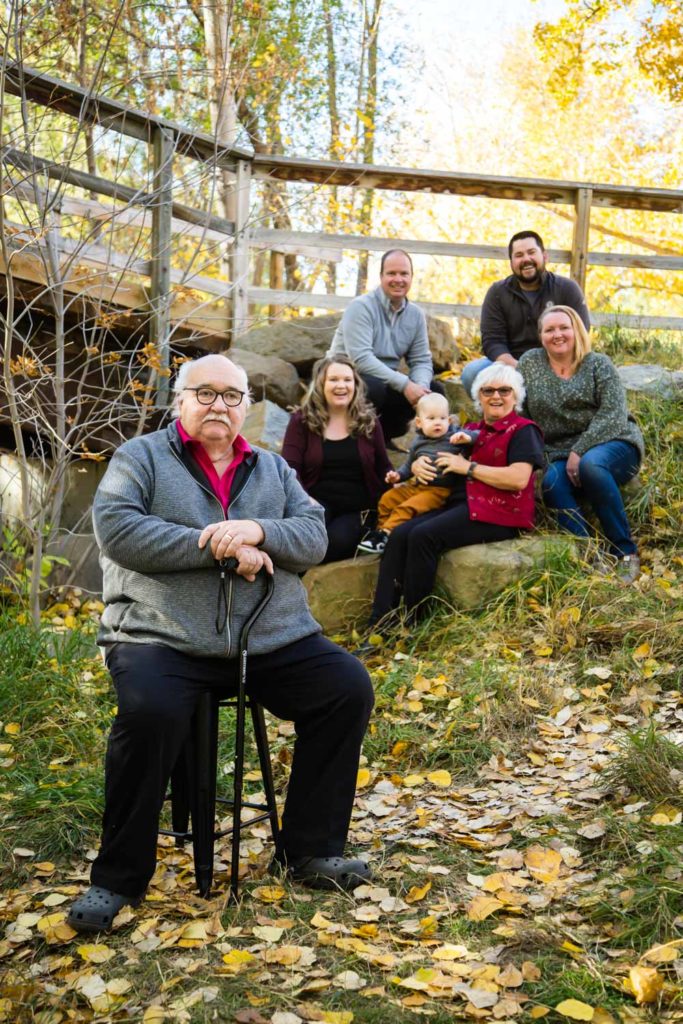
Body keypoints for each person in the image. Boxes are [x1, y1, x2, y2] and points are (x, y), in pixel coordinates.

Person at [67, 354, 375, 934]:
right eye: (205, 393)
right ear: (179, 399)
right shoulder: (141, 458)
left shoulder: (272, 469)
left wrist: (259, 530)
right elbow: (120, 530)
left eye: (232, 396)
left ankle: (308, 850)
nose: (219, 406)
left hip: (266, 635)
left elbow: (313, 535)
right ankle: (117, 877)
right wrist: (221, 545)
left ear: (245, 409)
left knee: (345, 687)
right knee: (150, 711)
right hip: (160, 635)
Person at [367, 365, 544, 626]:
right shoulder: (467, 430)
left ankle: (411, 622)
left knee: (423, 535)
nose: (496, 396)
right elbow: (430, 452)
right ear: (478, 397)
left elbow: (518, 478)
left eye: (505, 390)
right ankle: (380, 622)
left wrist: (469, 467)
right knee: (401, 533)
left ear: (515, 396)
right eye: (488, 390)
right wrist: (416, 466)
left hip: (497, 511)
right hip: (458, 504)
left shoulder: (522, 430)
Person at [519, 305, 643, 582]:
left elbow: (613, 414)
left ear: (577, 330)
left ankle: (625, 552)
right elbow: (521, 412)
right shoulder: (529, 363)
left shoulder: (598, 364)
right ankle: (590, 555)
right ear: (541, 336)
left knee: (591, 466)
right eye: (550, 329)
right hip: (557, 450)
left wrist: (580, 449)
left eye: (564, 327)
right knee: (550, 481)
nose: (558, 334)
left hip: (614, 440)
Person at [281, 356, 393, 562]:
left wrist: (396, 480)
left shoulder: (369, 420)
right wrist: (304, 499)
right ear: (321, 384)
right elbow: (289, 468)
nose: (341, 385)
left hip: (357, 507)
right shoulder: (302, 421)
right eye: (333, 379)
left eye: (347, 380)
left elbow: (383, 466)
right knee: (308, 539)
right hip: (315, 503)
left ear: (355, 384)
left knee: (334, 542)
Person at [327, 249, 444, 442]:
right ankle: (355, 441)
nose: (398, 279)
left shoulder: (415, 315)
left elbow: (421, 360)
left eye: (404, 273)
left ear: (411, 277)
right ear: (381, 276)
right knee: (373, 388)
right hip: (345, 378)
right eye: (391, 273)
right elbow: (362, 360)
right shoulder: (361, 307)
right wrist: (406, 385)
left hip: (386, 381)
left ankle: (393, 441)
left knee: (435, 391)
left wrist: (421, 392)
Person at [461, 231, 590, 397]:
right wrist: (520, 368)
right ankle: (501, 420)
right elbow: (492, 341)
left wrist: (553, 366)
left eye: (531, 252)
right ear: (511, 262)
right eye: (519, 255)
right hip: (511, 365)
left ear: (544, 256)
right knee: (472, 373)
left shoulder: (566, 288)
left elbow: (581, 332)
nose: (526, 259)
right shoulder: (497, 293)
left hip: (558, 363)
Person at [357, 392, 479, 554]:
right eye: (431, 418)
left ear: (449, 421)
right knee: (387, 499)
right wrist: (398, 475)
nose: (438, 423)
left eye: (442, 418)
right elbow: (408, 467)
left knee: (407, 507)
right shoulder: (418, 443)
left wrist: (468, 437)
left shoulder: (454, 437)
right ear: (419, 423)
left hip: (439, 491)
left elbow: (480, 437)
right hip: (417, 485)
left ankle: (387, 533)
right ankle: (380, 534)